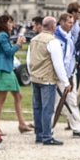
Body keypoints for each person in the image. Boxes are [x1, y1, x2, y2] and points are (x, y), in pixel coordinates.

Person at [28, 16, 70, 145]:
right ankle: (47, 136)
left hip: (35, 77)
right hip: (48, 79)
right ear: (53, 27)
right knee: (47, 108)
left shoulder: (34, 40)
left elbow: (29, 60)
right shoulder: (53, 41)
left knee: (37, 107)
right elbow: (58, 64)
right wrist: (66, 82)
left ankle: (39, 134)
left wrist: (32, 74)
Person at [0, 14, 33, 134]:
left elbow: (9, 52)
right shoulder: (3, 35)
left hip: (7, 68)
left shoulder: (2, 35)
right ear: (4, 23)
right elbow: (9, 52)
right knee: (1, 99)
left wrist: (18, 45)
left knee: (18, 96)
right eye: (10, 22)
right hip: (4, 69)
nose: (12, 24)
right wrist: (18, 44)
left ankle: (21, 124)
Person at [55, 12, 80, 138]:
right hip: (60, 77)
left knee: (71, 101)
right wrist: (65, 78)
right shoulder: (57, 38)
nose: (72, 25)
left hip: (69, 75)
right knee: (56, 104)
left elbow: (70, 58)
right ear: (63, 22)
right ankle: (45, 129)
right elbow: (59, 61)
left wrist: (71, 75)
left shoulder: (68, 36)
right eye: (70, 23)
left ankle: (77, 128)